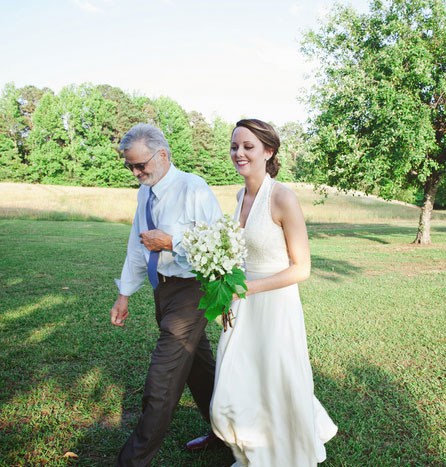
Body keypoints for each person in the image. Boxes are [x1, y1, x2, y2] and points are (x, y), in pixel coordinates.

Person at [209, 119, 337, 466]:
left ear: (269, 151)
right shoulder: (239, 196)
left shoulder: (283, 198)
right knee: (242, 376)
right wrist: (225, 290)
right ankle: (255, 449)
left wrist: (247, 288)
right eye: (235, 146)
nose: (239, 153)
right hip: (241, 302)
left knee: (275, 378)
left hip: (274, 304)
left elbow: (302, 268)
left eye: (248, 147)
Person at [109, 123, 223, 466]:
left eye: (140, 165)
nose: (135, 172)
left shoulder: (194, 188)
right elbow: (137, 244)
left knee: (163, 378)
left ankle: (133, 461)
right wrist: (125, 294)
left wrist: (172, 241)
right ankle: (228, 433)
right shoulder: (145, 191)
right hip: (164, 291)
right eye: (130, 167)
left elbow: (219, 244)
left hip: (192, 290)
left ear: (162, 154)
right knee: (200, 371)